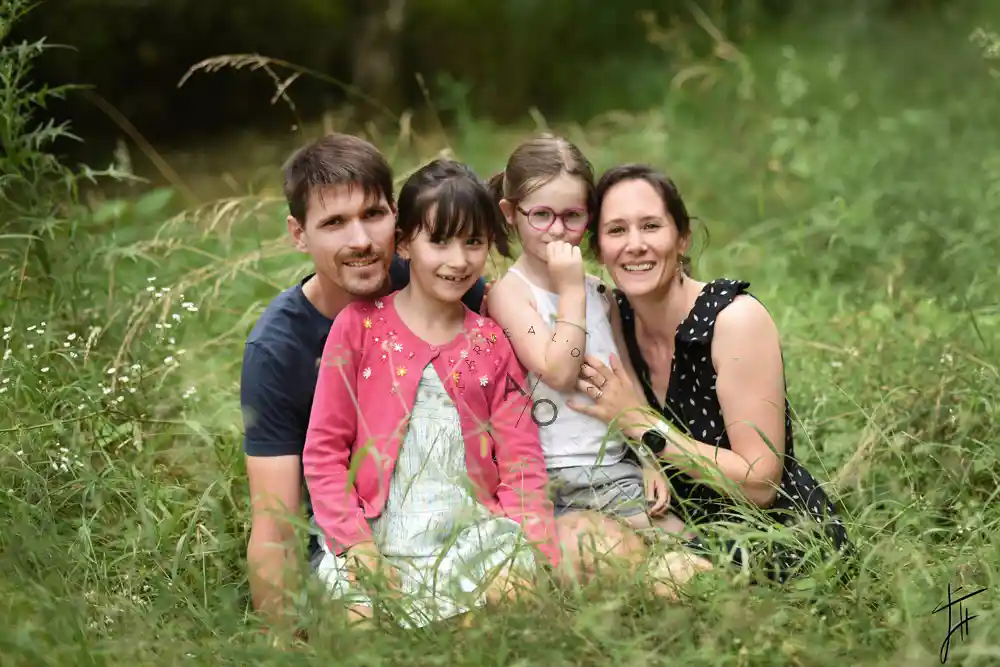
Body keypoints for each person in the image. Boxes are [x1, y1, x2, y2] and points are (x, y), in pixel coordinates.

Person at [240, 133, 487, 633]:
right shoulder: (278, 349)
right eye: (334, 222)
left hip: (455, 519)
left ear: (397, 215)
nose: (361, 240)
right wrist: (282, 641)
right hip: (348, 537)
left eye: (373, 214)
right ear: (298, 233)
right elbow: (275, 521)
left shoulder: (438, 279)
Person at [302, 158, 560, 627]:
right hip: (375, 533)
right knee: (359, 620)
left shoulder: (491, 341)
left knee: (509, 600)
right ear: (404, 244)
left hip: (470, 530)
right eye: (439, 241)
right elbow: (324, 451)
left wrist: (536, 546)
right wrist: (356, 545)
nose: (458, 260)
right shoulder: (359, 327)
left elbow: (521, 458)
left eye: (474, 242)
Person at [568, 163, 852, 583]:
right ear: (598, 250)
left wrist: (641, 423)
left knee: (667, 581)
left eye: (650, 226)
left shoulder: (733, 321)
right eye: (616, 231)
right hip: (675, 522)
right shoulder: (614, 316)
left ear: (681, 238)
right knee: (576, 539)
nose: (635, 245)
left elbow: (761, 484)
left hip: (774, 532)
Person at [484, 135, 705, 587]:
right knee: (603, 562)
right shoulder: (510, 293)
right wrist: (568, 289)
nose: (557, 230)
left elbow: (627, 381)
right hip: (552, 480)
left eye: (572, 216)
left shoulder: (600, 295)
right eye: (540, 215)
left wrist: (649, 460)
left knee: (691, 556)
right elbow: (559, 370)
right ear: (511, 214)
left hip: (615, 470)